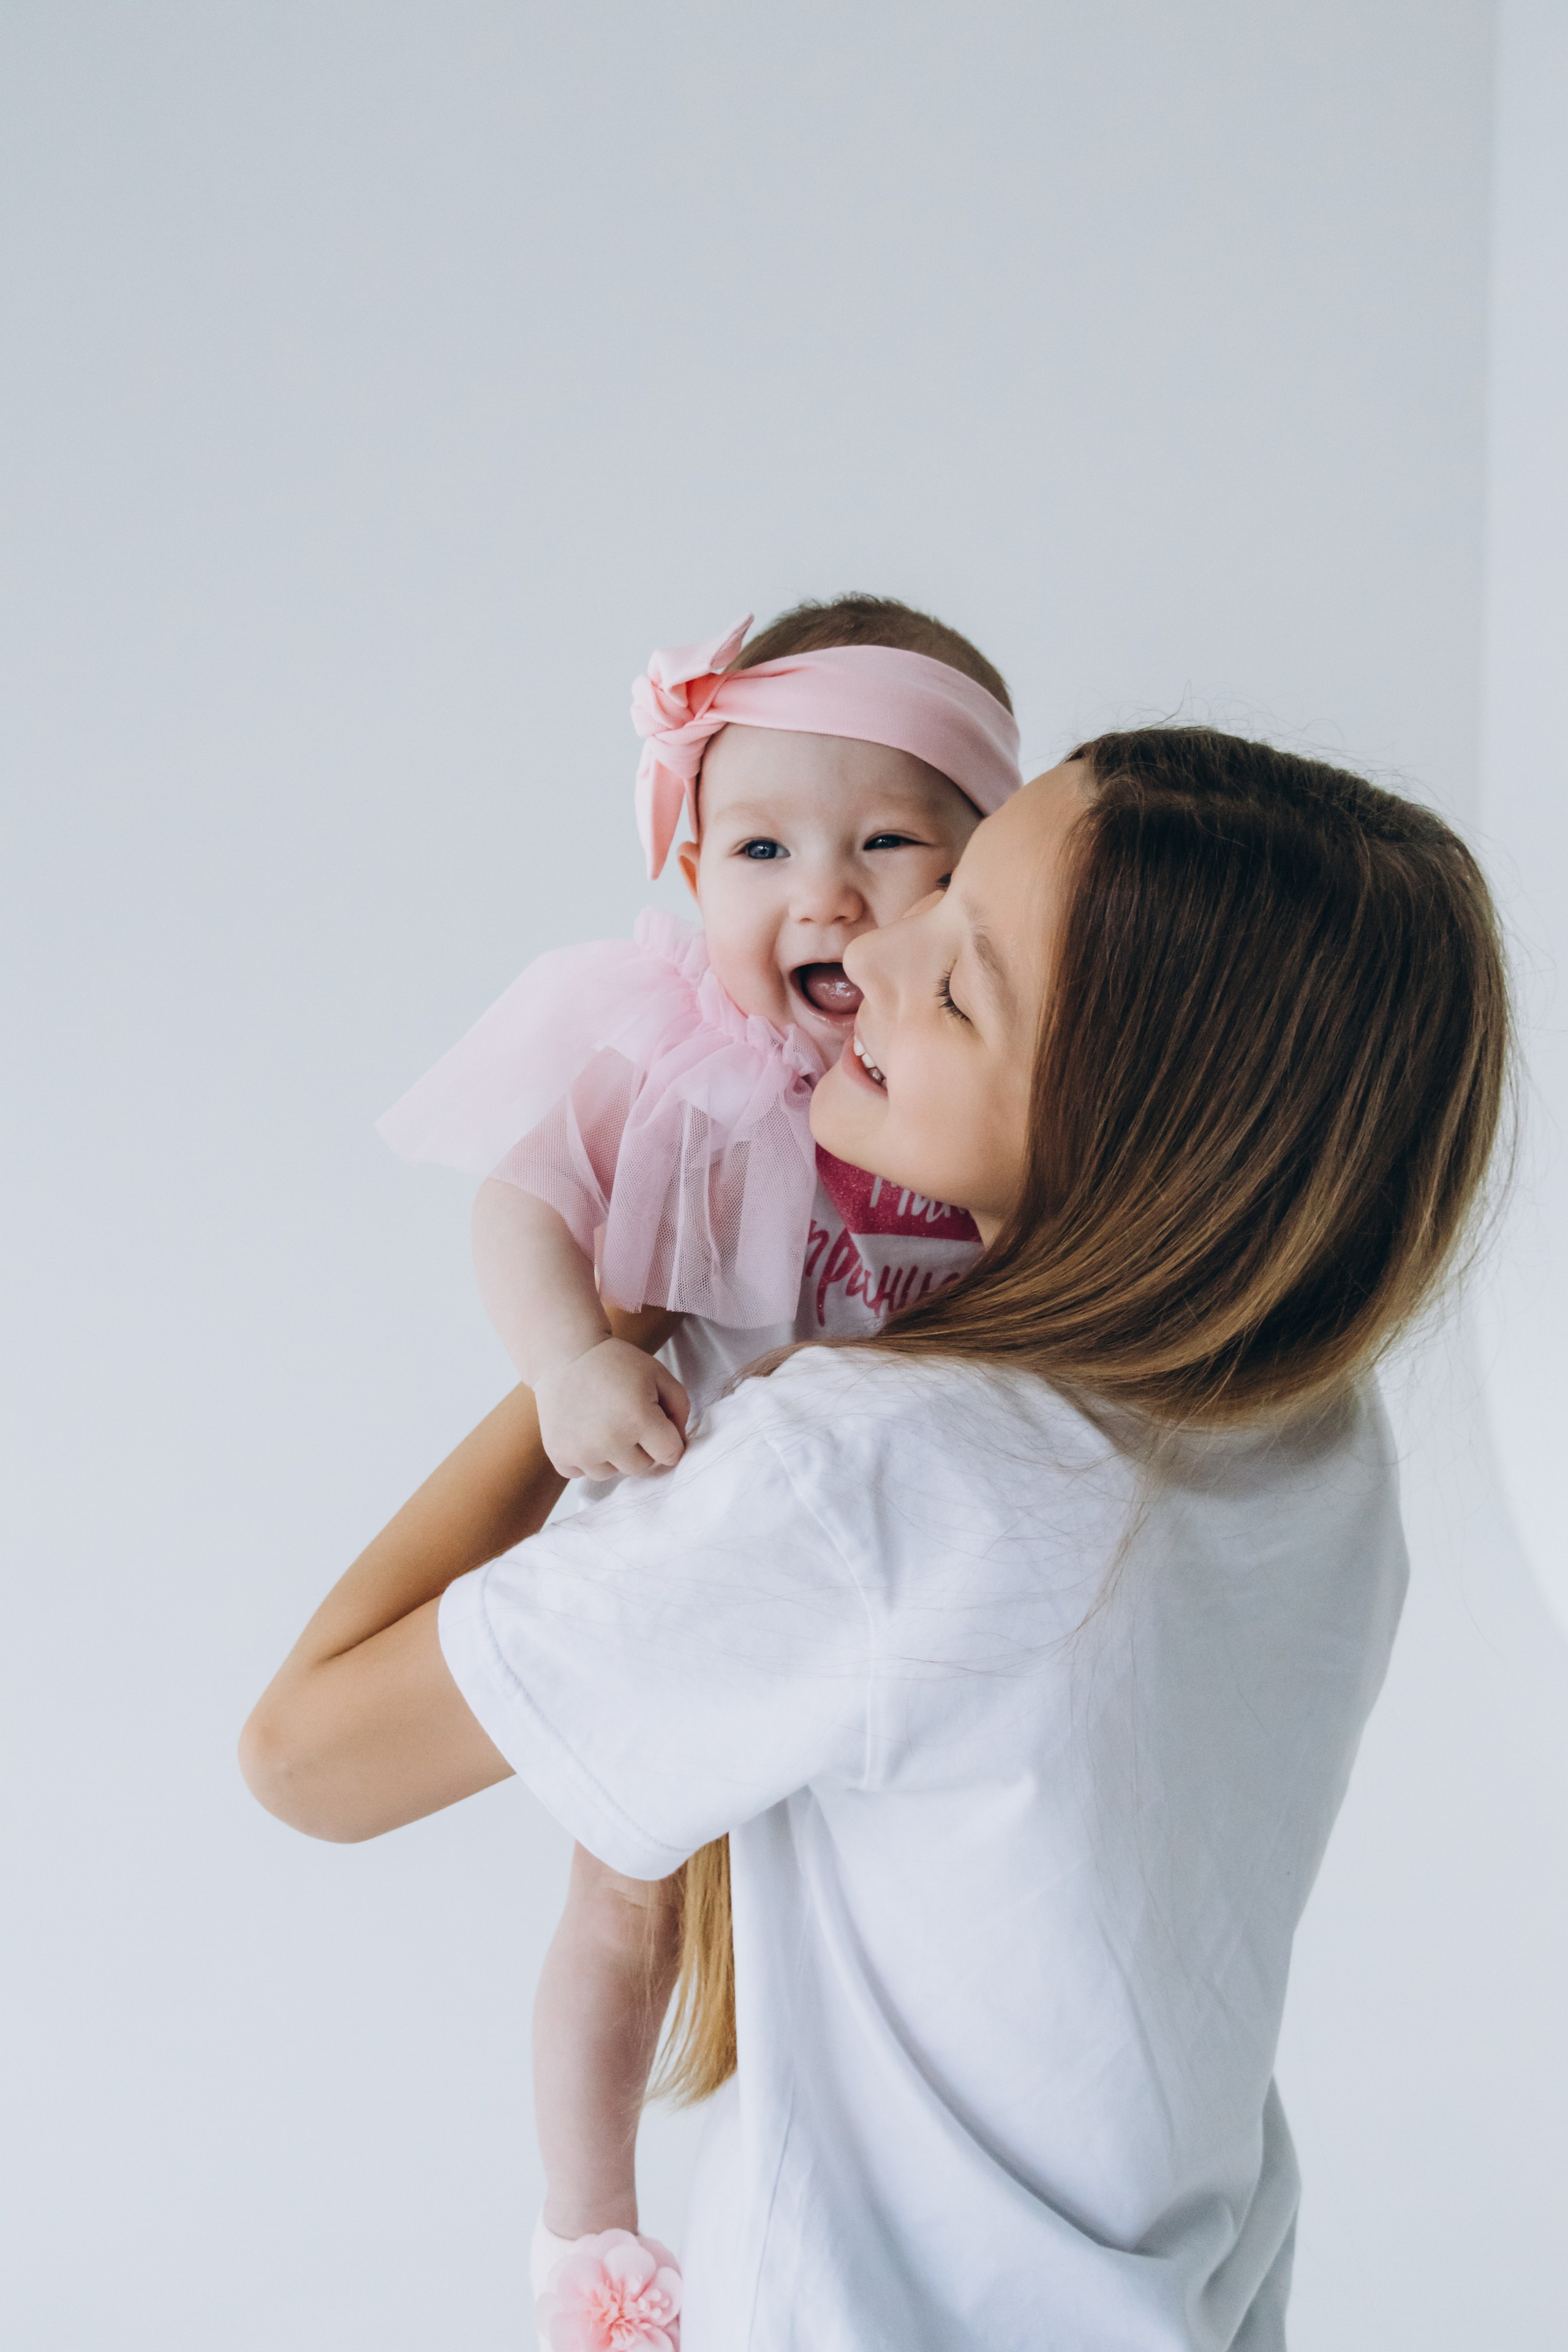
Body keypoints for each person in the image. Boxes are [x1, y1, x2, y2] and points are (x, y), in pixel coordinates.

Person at [242, 726, 1508, 2352]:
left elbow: (306, 1757)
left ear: (1141, 1144)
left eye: (965, 984)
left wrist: (614, 1319)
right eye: (951, 881)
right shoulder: (1316, 1440)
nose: (868, 945)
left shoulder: (886, 1474)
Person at [371, 594, 1023, 2321]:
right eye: (759, 847)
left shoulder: (996, 1075)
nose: (825, 891)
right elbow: (524, 1204)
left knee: (858, 1924)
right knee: (625, 1906)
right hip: (692, 1531)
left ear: (990, 871)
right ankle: (587, 2236)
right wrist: (572, 1358)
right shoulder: (688, 1058)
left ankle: (856, 2223)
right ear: (688, 874)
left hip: (896, 1590)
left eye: (892, 840)